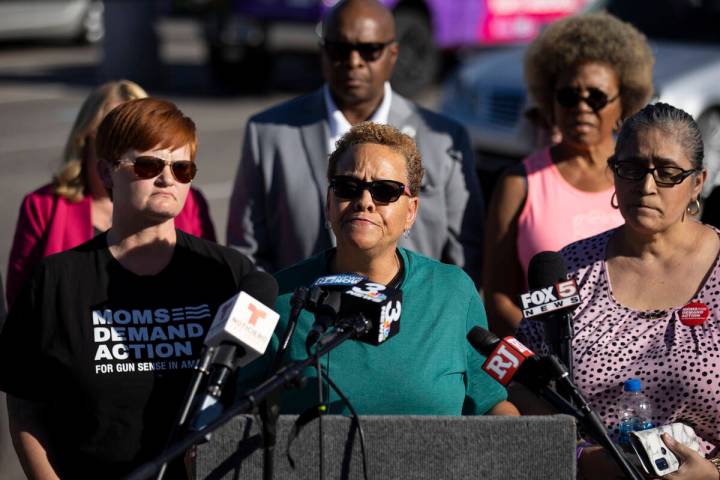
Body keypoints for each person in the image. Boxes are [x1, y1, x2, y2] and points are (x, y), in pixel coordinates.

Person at [0, 98, 258, 479]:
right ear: (106, 172)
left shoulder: (227, 273)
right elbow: (24, 407)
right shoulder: (56, 280)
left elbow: (252, 393)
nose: (167, 178)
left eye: (182, 168)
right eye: (149, 165)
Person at [241, 122, 517, 417]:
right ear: (328, 203)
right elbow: (232, 411)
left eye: (385, 191)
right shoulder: (277, 297)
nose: (364, 202)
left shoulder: (453, 292)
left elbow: (491, 406)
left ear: (411, 211)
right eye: (348, 188)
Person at [520, 103, 720, 480]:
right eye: (631, 169)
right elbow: (520, 380)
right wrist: (579, 457)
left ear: (698, 182)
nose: (646, 187)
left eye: (667, 173)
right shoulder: (570, 267)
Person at [227, 0, 484, 284]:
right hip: (301, 320)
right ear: (323, 52)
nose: (354, 61)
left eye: (369, 50)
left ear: (393, 53)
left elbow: (465, 256)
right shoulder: (268, 132)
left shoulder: (443, 139)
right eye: (340, 49)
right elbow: (247, 252)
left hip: (412, 322)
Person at [483, 13, 655, 337]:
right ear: (551, 102)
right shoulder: (519, 183)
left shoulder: (644, 178)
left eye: (597, 97)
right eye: (568, 96)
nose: (582, 107)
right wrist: (547, 348)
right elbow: (498, 296)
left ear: (624, 103)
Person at [6, 80, 216, 308]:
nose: (165, 178)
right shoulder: (43, 206)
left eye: (139, 138)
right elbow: (22, 301)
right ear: (84, 140)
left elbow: (211, 283)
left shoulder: (188, 202)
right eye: (109, 135)